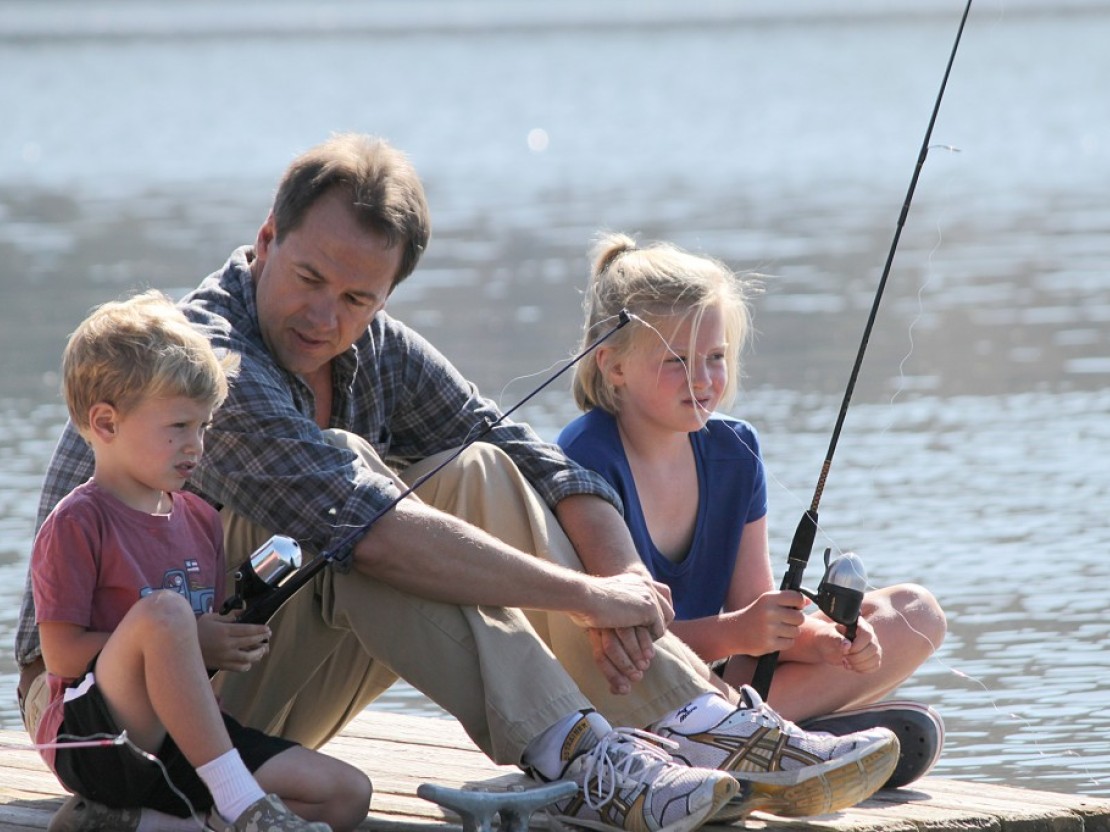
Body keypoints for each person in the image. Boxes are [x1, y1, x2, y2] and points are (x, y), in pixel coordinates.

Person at [16, 134, 900, 832]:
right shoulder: (212, 361)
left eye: (360, 298)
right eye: (309, 278)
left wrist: (623, 579)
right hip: (122, 712)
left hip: (246, 680)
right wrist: (587, 597)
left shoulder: (369, 348)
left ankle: (697, 718)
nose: (329, 316)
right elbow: (368, 526)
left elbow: (530, 452)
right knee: (359, 505)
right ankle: (586, 754)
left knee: (471, 465)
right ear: (264, 243)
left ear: (388, 297)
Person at [557, 233, 949, 789]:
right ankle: (782, 743)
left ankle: (769, 739)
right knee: (664, 678)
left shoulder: (735, 451)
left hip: (721, 684)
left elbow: (756, 618)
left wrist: (832, 643)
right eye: (676, 361)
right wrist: (736, 631)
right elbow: (612, 646)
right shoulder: (583, 458)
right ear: (613, 366)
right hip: (630, 691)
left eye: (715, 358)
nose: (703, 380)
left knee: (916, 614)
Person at [30, 290, 370, 832]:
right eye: (178, 427)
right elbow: (62, 655)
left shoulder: (201, 519)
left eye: (204, 426)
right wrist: (186, 635)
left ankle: (140, 822)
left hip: (185, 738)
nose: (198, 446)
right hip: (97, 736)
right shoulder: (78, 522)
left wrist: (226, 640)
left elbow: (197, 656)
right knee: (166, 615)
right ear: (106, 424)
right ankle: (236, 801)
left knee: (347, 796)